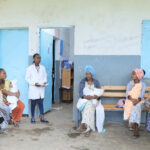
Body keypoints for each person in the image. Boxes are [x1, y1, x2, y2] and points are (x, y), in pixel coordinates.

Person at [77, 65, 105, 137]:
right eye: (86, 74)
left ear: (92, 74)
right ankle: (89, 129)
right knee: (88, 106)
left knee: (89, 105)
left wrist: (96, 96)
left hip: (95, 100)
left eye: (89, 74)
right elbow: (80, 93)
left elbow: (99, 92)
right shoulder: (82, 81)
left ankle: (83, 124)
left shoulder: (96, 82)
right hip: (85, 100)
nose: (87, 75)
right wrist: (86, 97)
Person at [25, 53, 49, 124]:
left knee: (41, 103)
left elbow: (45, 76)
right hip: (33, 88)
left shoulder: (43, 67)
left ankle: (42, 117)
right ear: (34, 59)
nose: (39, 59)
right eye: (37, 58)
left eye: (39, 58)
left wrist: (44, 82)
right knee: (33, 103)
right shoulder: (29, 68)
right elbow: (27, 78)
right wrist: (34, 83)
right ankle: (32, 117)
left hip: (41, 88)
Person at [124, 68, 145, 138]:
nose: (132, 75)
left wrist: (137, 101)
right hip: (130, 100)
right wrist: (133, 100)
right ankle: (134, 125)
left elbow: (142, 95)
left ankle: (136, 129)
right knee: (133, 106)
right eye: (132, 74)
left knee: (136, 107)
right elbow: (127, 94)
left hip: (139, 100)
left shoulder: (142, 84)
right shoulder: (130, 84)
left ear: (138, 75)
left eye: (134, 74)